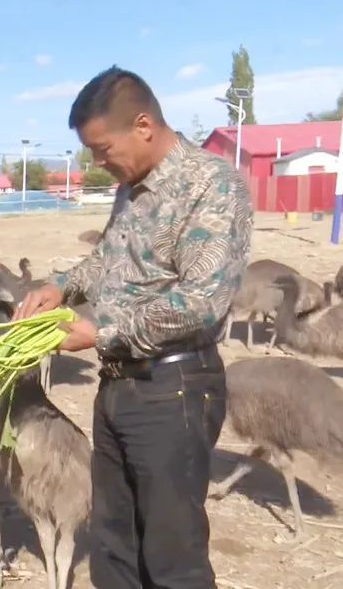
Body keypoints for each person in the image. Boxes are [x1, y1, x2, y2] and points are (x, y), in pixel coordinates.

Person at [15, 67, 253, 588]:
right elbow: (108, 260)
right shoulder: (131, 189)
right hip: (119, 387)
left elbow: (201, 302)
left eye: (102, 149)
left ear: (143, 125)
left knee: (172, 555)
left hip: (175, 390)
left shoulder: (211, 186)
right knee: (114, 544)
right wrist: (63, 287)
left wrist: (98, 334)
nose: (99, 163)